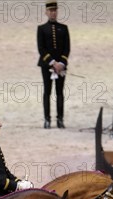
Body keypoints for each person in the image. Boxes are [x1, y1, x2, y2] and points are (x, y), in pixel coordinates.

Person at [37, 1, 70, 129]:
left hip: (61, 66)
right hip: (47, 66)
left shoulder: (64, 28)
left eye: (55, 10)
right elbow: (41, 48)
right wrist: (52, 62)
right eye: (51, 11)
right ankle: (47, 119)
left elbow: (67, 48)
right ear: (46, 12)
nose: (53, 13)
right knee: (47, 92)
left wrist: (61, 63)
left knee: (60, 92)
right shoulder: (41, 29)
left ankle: (60, 119)